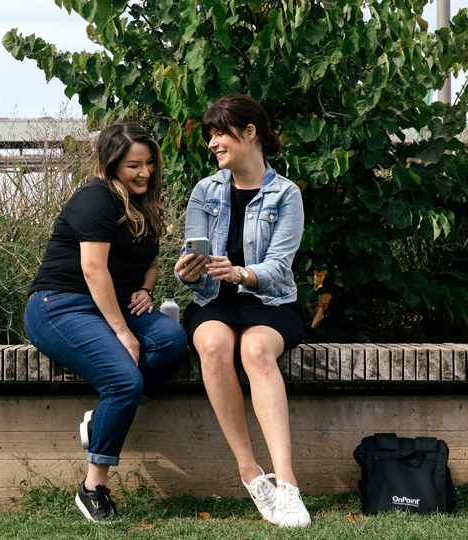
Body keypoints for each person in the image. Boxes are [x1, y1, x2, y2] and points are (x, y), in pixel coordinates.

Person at [24, 123, 187, 522]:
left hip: (111, 303)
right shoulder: (96, 198)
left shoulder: (145, 201)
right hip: (60, 305)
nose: (144, 173)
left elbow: (150, 260)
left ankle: (106, 417)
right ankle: (93, 486)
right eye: (134, 165)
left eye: (149, 164)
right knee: (123, 380)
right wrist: (122, 332)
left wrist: (148, 288)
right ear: (111, 164)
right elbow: (94, 270)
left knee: (171, 339)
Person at [174, 95, 310, 528]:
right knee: (212, 345)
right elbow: (195, 268)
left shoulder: (285, 193)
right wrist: (187, 271)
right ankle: (250, 472)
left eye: (219, 133)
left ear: (249, 133)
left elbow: (278, 268)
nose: (212, 143)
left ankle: (287, 484)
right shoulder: (205, 191)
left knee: (255, 352)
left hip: (269, 303)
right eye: (210, 135)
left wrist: (240, 273)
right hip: (214, 303)